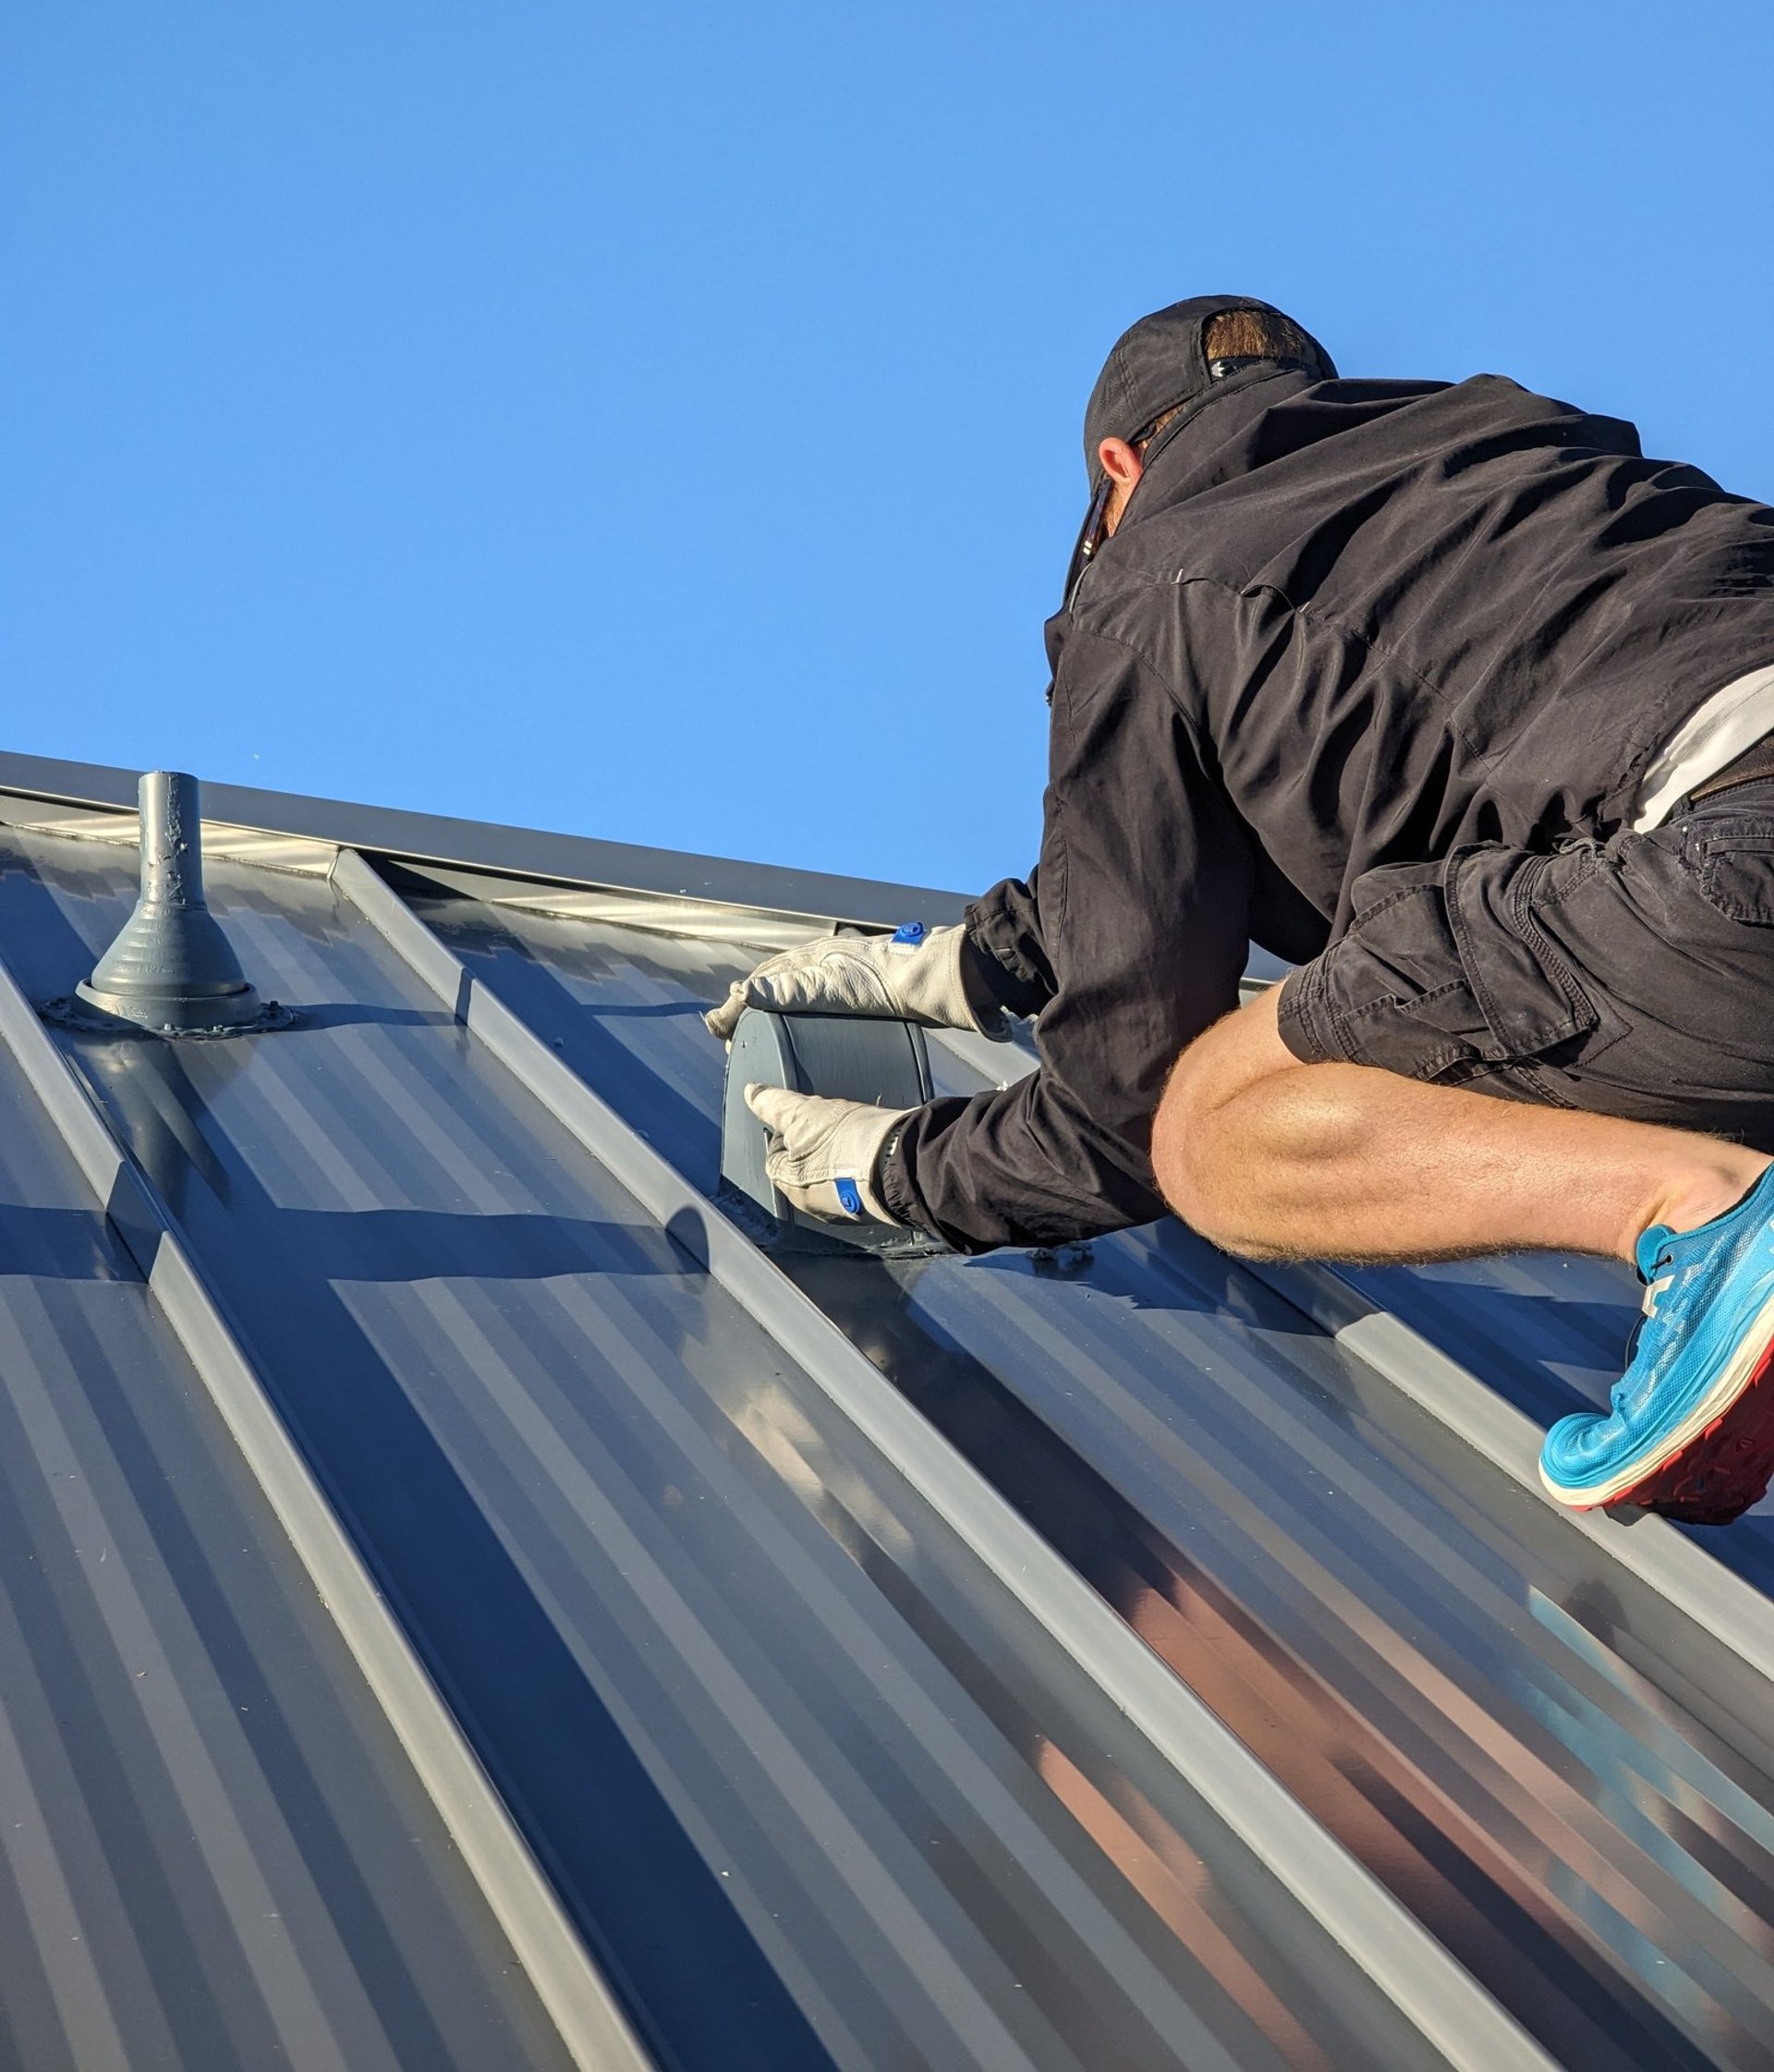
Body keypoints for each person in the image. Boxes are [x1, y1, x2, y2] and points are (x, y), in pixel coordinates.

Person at [708, 296, 1774, 1523]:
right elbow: (1379, 775)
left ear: (1118, 465)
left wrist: (895, 1170)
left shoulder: (1147, 574)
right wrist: (993, 953)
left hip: (1725, 883)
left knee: (1210, 1123)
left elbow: (1123, 1100)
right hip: (1706, 814)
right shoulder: (1502, 444)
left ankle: (1702, 1216)